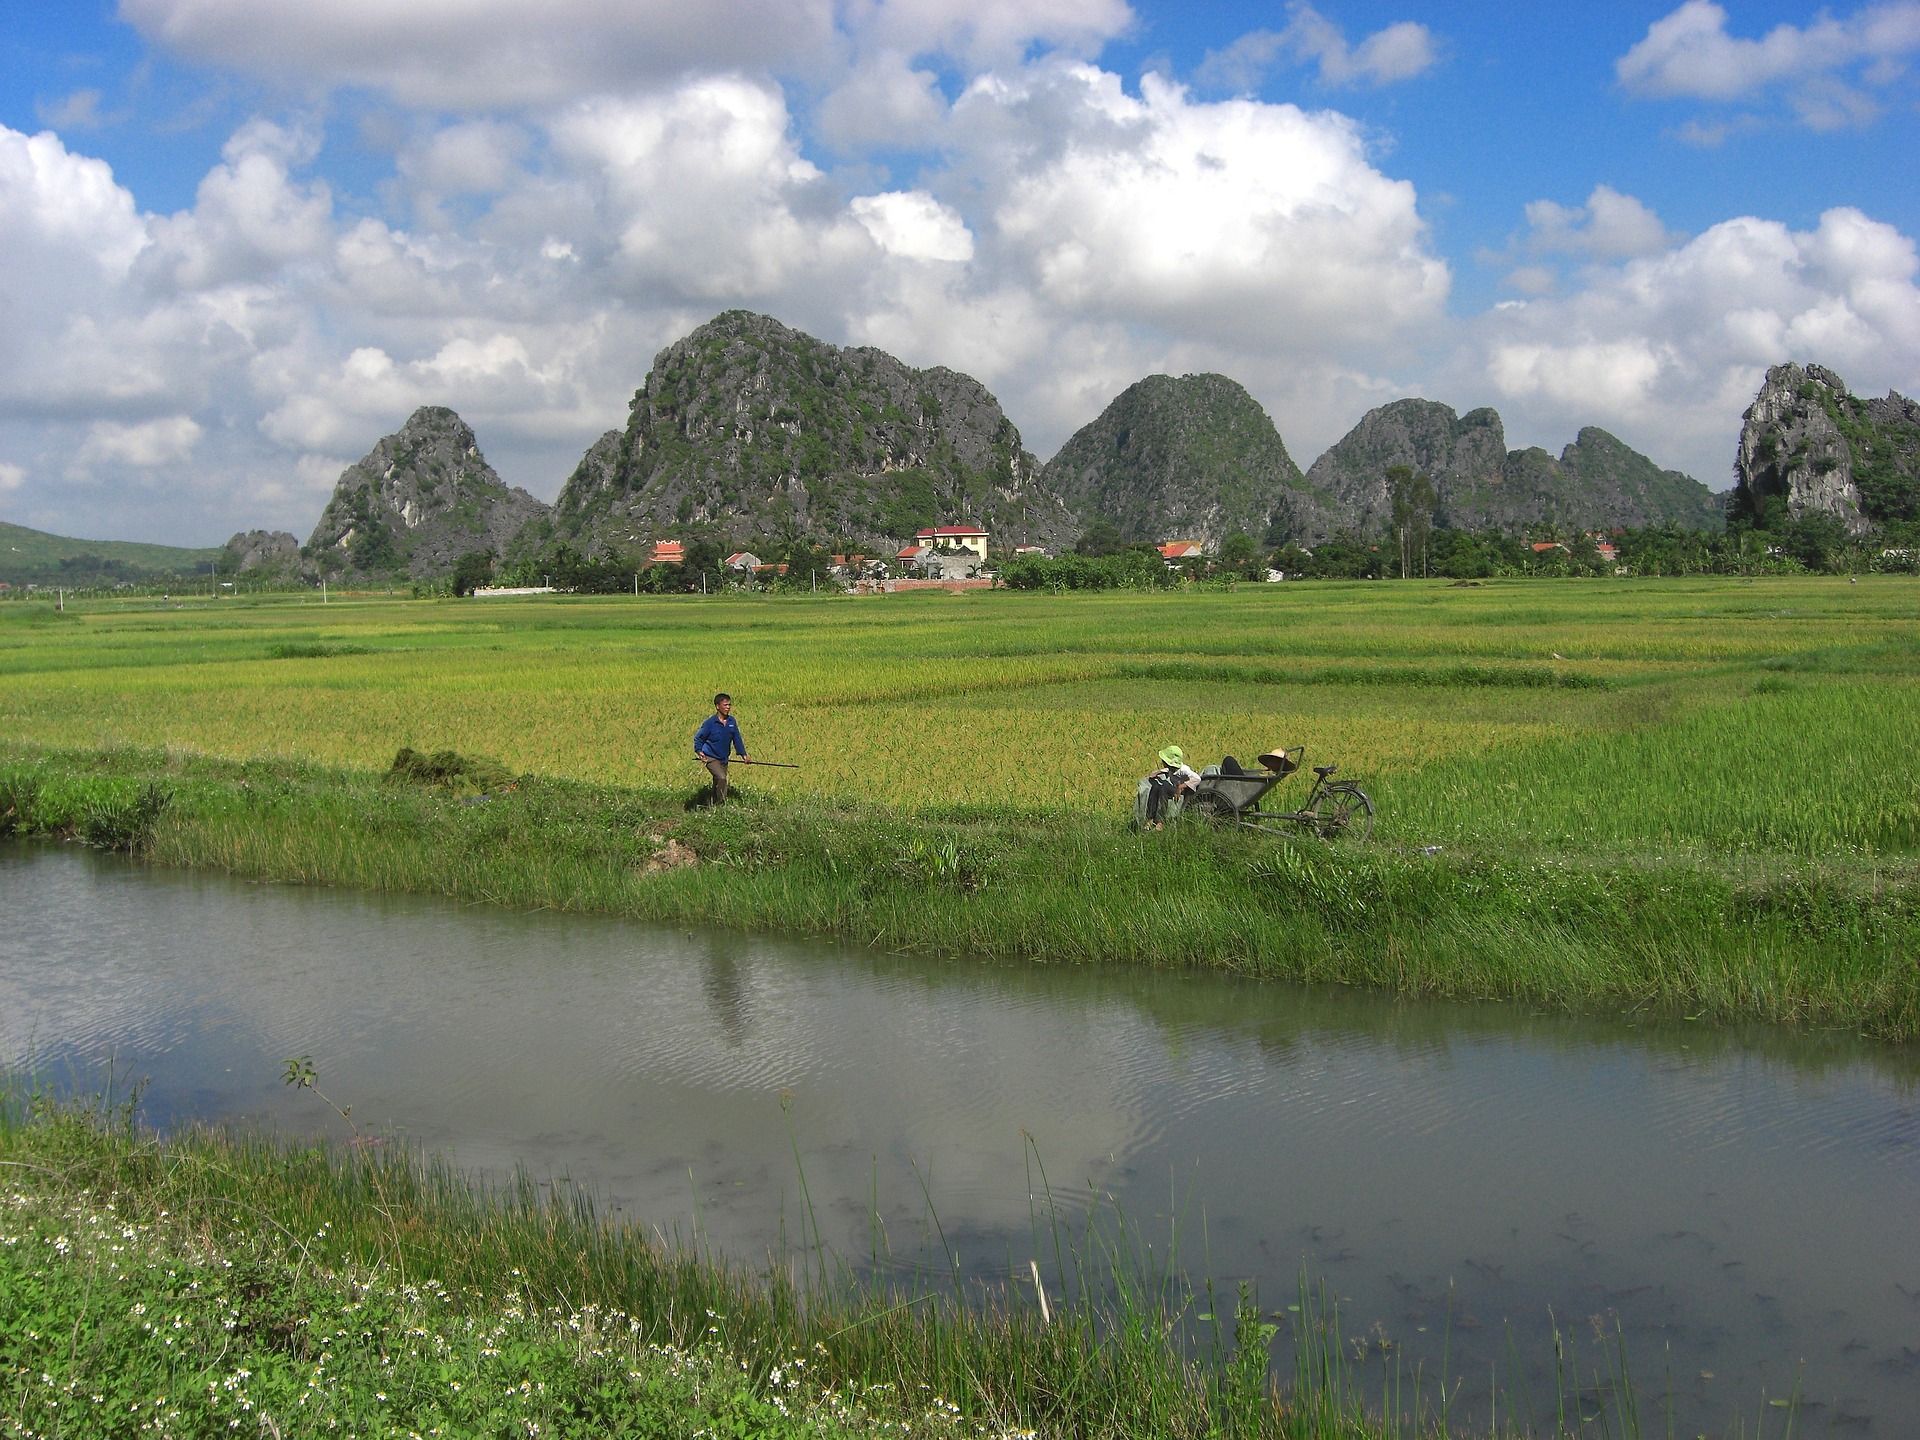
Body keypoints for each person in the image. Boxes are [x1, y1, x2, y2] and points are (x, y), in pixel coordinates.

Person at [693, 692, 750, 804]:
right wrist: (699, 751)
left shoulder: (731, 722)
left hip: (724, 757)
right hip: (710, 757)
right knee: (722, 778)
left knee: (718, 782)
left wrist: (744, 755)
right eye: (725, 705)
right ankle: (720, 803)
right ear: (717, 706)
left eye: (729, 705)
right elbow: (698, 738)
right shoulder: (710, 723)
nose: (728, 707)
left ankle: (711, 803)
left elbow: (737, 739)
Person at [1143, 744, 1200, 827]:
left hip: (1182, 792)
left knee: (1163, 788)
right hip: (1174, 788)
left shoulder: (1184, 770)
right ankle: (1150, 817)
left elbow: (1197, 779)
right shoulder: (1172, 768)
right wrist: (1159, 772)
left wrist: (1181, 787)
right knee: (1155, 787)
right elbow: (1168, 769)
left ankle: (1160, 821)